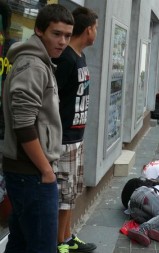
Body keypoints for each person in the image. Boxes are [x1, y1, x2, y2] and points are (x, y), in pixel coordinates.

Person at [2, 4, 74, 253]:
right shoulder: (33, 65)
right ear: (39, 31)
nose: (63, 41)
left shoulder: (41, 62)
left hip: (28, 172)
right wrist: (46, 171)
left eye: (67, 35)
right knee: (43, 247)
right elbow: (22, 123)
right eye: (56, 34)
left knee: (21, 244)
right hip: (31, 173)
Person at [52, 6, 98, 253]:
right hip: (64, 138)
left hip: (77, 137)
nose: (96, 32)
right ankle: (60, 243)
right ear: (88, 29)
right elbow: (53, 98)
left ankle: (67, 237)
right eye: (96, 28)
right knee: (64, 195)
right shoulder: (67, 58)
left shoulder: (80, 56)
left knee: (72, 194)